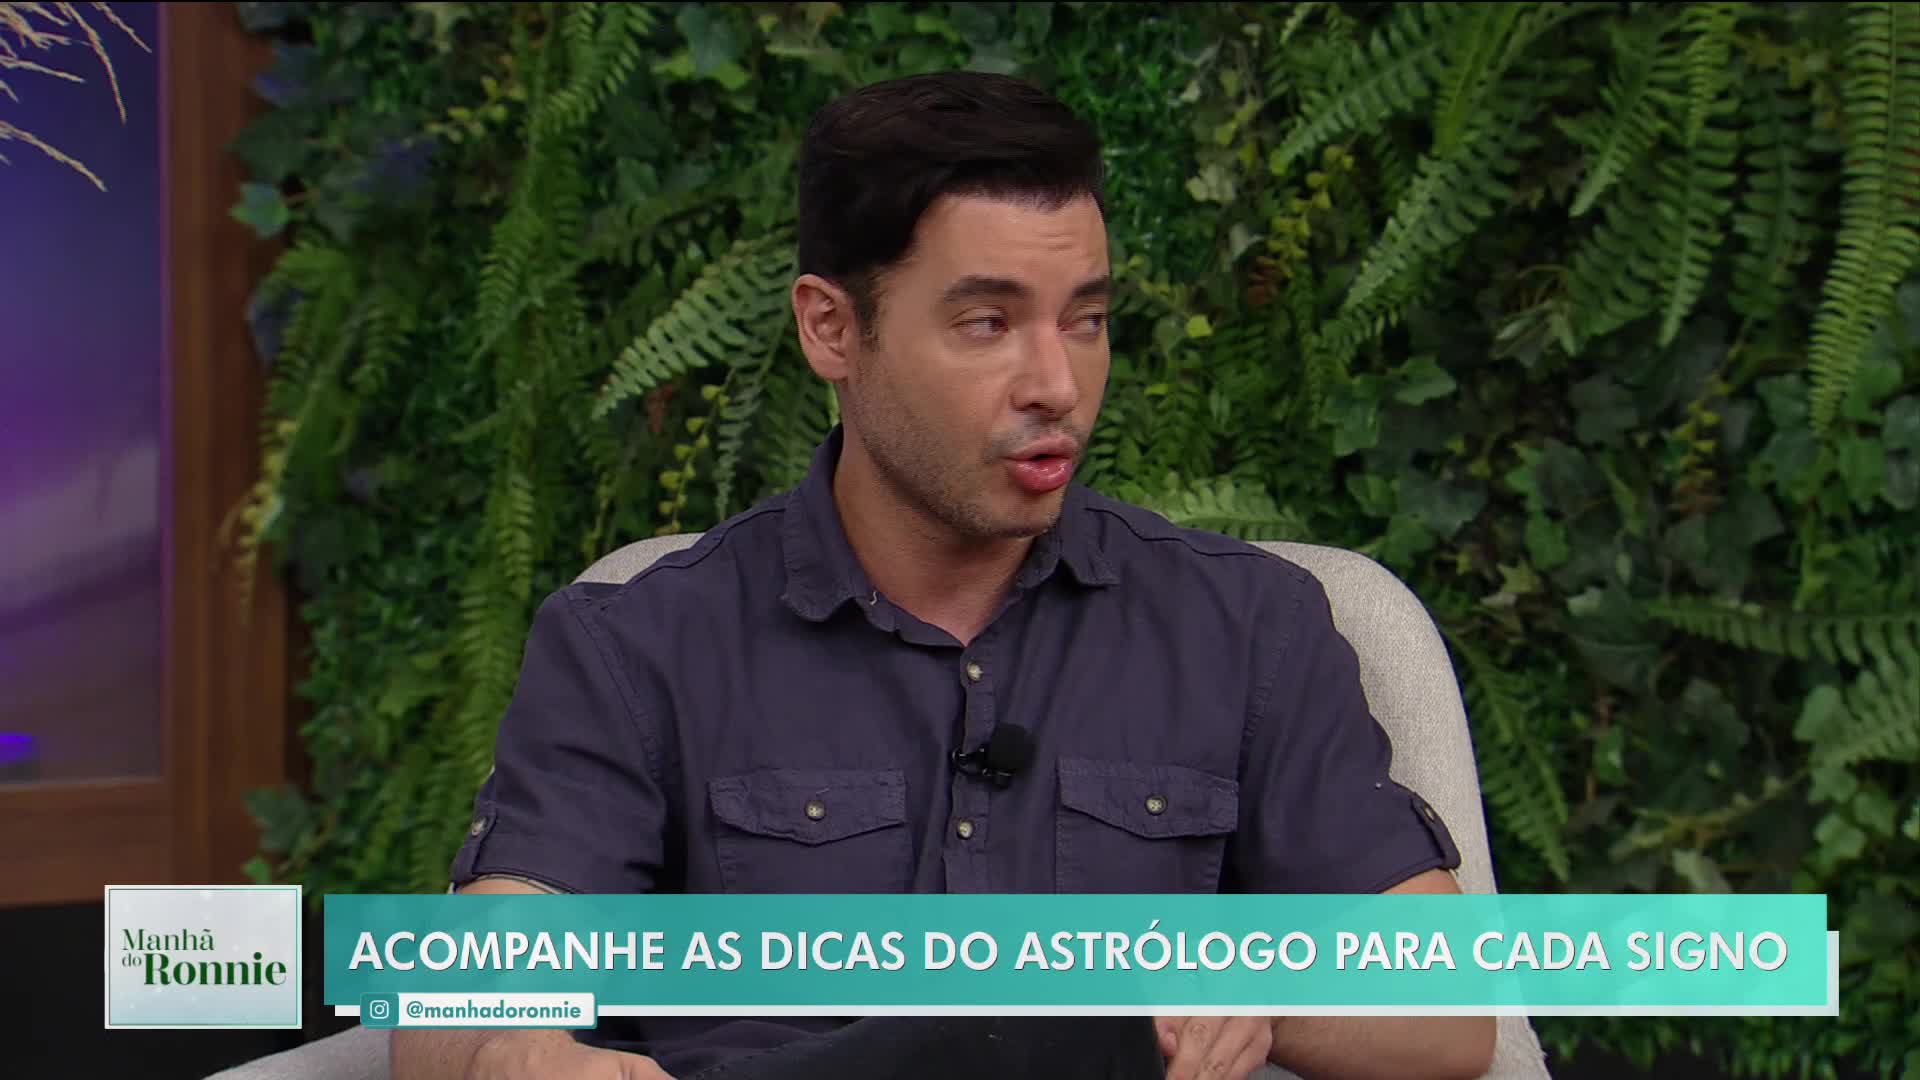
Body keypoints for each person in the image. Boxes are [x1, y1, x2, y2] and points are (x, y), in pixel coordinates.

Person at [391, 71, 1496, 1080]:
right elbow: (455, 1011)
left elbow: (1449, 1013)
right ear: (831, 329)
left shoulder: (1246, 626)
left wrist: (1249, 992)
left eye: (1088, 320)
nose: (1057, 383)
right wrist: (516, 1059)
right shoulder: (639, 648)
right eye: (987, 323)